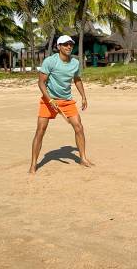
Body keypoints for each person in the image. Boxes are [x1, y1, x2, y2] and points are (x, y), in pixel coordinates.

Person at [29, 35, 93, 174]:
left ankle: (83, 158)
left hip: (67, 101)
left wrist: (83, 96)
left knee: (79, 127)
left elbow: (77, 79)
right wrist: (50, 100)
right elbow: (41, 82)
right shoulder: (50, 61)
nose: (69, 47)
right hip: (48, 100)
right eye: (65, 44)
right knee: (40, 130)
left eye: (71, 44)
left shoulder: (75, 63)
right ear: (58, 47)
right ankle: (33, 164)